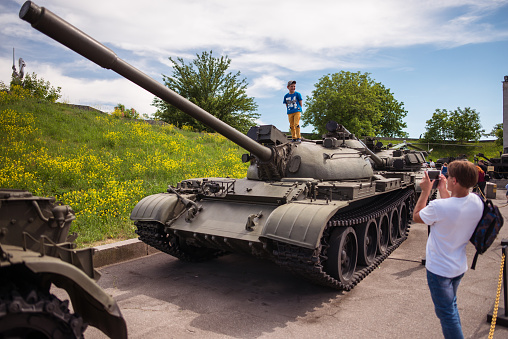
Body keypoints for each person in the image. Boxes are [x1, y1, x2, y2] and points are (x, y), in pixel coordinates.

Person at [413, 160, 483, 339]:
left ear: (455, 181)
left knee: (447, 315)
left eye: (450, 176)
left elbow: (417, 216)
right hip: (458, 267)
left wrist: (426, 191)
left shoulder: (439, 207)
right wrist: (444, 189)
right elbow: (453, 208)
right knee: (451, 308)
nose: (448, 177)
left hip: (439, 270)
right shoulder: (477, 201)